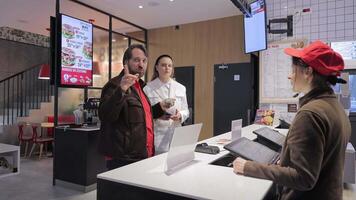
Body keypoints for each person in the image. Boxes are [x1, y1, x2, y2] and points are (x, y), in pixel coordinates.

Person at [233, 40, 351, 200]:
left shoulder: (310, 114)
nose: (290, 76)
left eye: (293, 70)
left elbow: (303, 178)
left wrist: (249, 167)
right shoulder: (334, 107)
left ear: (308, 72)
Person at [98, 44, 171, 170]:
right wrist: (121, 90)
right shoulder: (114, 85)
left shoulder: (140, 86)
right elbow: (105, 115)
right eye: (136, 60)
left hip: (143, 155)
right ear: (126, 62)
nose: (141, 65)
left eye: (144, 61)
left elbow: (140, 116)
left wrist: (160, 107)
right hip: (123, 159)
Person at [143, 55, 189, 154]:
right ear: (156, 67)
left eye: (169, 65)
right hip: (158, 133)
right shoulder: (147, 88)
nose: (167, 68)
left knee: (177, 162)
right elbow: (144, 113)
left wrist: (180, 115)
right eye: (163, 65)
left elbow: (186, 110)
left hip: (176, 132)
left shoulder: (181, 88)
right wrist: (157, 115)